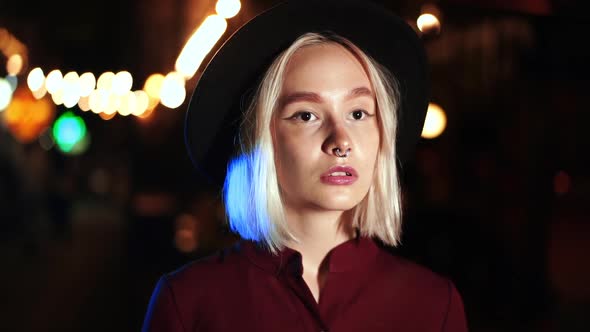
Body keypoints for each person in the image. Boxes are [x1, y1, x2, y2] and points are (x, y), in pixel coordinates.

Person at [142, 0, 468, 331]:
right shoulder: (189, 301)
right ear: (262, 139)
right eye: (306, 115)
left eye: (358, 113)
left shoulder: (433, 303)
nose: (341, 141)